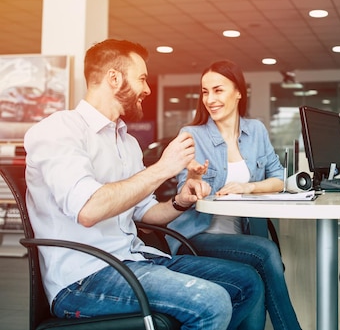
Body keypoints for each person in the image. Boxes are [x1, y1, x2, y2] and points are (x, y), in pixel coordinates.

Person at [24, 39, 266, 330]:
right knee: (211, 302)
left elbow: (147, 216)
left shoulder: (127, 143)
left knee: (248, 281)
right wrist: (162, 168)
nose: (148, 89)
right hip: (84, 278)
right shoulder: (58, 130)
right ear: (114, 78)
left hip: (136, 260)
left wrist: (181, 200)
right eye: (141, 79)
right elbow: (88, 209)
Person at [167, 59, 303, 330]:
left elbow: (279, 179)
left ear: (238, 92)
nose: (210, 99)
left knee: (255, 275)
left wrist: (249, 187)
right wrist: (193, 180)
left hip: (240, 238)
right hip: (197, 236)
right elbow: (186, 188)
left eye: (218, 90)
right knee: (265, 252)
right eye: (205, 92)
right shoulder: (192, 135)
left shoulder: (256, 131)